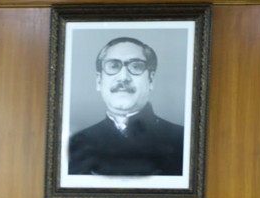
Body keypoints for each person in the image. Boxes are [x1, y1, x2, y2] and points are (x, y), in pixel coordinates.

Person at [68, 37, 185, 176]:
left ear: (151, 79)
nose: (123, 77)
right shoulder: (77, 143)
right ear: (99, 81)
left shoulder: (182, 140)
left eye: (136, 66)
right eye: (113, 66)